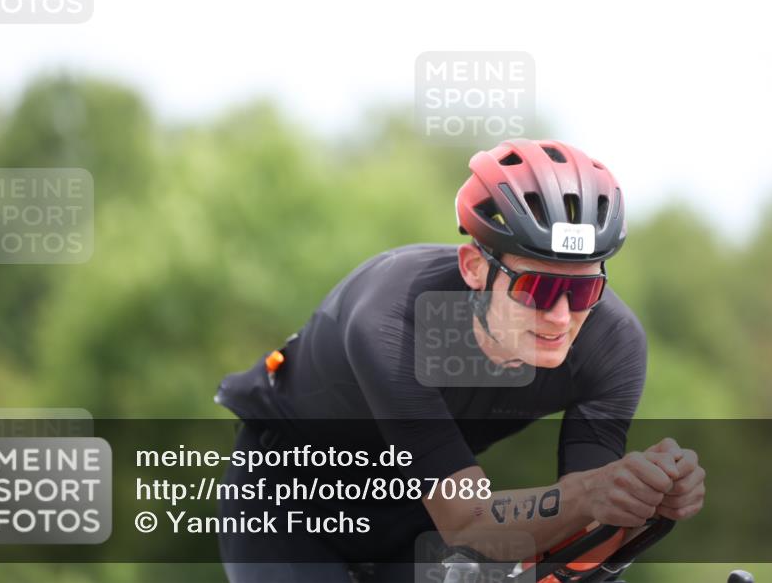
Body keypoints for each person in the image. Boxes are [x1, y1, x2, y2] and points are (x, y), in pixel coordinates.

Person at [215, 138, 706, 582]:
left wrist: (644, 504)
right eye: (536, 287)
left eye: (583, 289)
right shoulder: (395, 317)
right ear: (475, 268)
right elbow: (468, 521)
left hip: (418, 502)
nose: (560, 316)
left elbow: (583, 527)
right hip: (291, 498)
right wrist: (591, 495)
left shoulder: (611, 341)